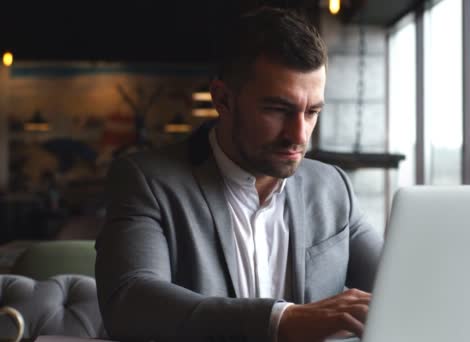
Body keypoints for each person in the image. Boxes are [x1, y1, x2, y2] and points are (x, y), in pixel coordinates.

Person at [95, 7, 383, 342]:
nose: (300, 135)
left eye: (312, 111)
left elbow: (398, 287)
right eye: (277, 110)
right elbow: (130, 302)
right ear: (223, 99)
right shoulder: (147, 180)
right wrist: (282, 321)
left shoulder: (333, 187)